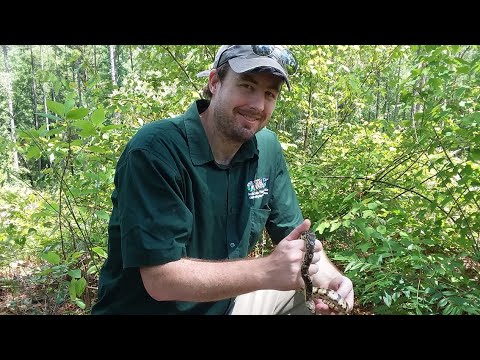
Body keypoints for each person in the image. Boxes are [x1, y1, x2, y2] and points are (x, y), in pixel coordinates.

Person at [91, 45, 354, 315]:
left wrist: (333, 281)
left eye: (269, 93)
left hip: (226, 305)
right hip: (148, 309)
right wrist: (266, 270)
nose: (258, 105)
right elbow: (160, 279)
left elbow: (298, 240)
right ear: (215, 82)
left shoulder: (267, 149)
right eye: (247, 86)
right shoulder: (155, 150)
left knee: (313, 300)